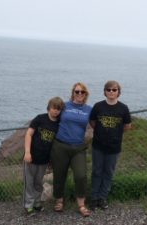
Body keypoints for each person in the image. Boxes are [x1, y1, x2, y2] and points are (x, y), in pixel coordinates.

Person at [51, 82, 92, 217]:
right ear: (73, 93)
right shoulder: (65, 106)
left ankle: (81, 204)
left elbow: (95, 125)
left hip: (78, 147)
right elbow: (52, 116)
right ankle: (59, 200)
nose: (79, 94)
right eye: (77, 91)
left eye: (82, 92)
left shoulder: (89, 109)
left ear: (86, 94)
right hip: (60, 146)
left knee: (81, 176)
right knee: (59, 175)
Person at [89, 80, 132, 210]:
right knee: (96, 171)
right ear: (105, 92)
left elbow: (127, 126)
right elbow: (92, 122)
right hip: (98, 146)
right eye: (109, 90)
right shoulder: (98, 106)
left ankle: (103, 198)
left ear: (118, 92)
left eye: (114, 90)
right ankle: (94, 198)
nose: (111, 92)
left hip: (114, 147)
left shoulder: (123, 108)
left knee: (108, 172)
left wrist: (115, 134)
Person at [23, 96, 65, 216]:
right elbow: (29, 134)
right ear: (49, 108)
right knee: (29, 182)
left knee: (38, 182)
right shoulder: (40, 119)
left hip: (44, 159)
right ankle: (28, 205)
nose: (56, 111)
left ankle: (37, 203)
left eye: (59, 109)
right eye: (54, 108)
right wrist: (27, 152)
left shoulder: (58, 124)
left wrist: (51, 160)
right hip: (31, 157)